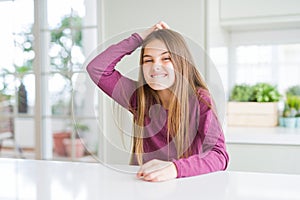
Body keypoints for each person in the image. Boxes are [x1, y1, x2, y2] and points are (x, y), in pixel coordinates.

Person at [86, 22, 229, 182]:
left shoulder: (199, 100)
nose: (156, 67)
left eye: (166, 58)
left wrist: (175, 168)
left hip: (184, 185)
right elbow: (97, 68)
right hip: (144, 184)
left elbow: (219, 155)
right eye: (148, 60)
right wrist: (139, 38)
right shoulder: (138, 97)